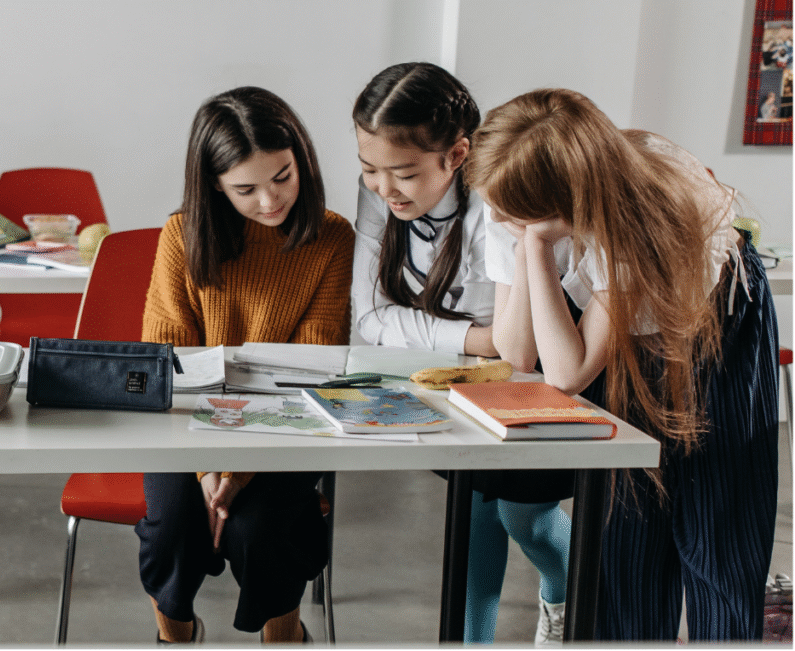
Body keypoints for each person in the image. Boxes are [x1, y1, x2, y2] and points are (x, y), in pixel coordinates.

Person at [466, 88, 778, 642]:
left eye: (512, 214)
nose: (496, 217)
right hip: (619, 335)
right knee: (626, 533)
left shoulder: (637, 217)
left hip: (716, 330)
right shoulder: (512, 195)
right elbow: (518, 355)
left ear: (566, 204)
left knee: (715, 534)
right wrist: (528, 242)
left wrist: (535, 246)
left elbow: (568, 373)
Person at [351, 62, 572, 645]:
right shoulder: (382, 194)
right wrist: (477, 338)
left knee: (526, 519)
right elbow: (371, 319)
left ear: (457, 155)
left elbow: (519, 345)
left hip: (543, 371)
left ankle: (566, 595)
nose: (382, 188)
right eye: (369, 169)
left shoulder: (500, 201)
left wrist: (472, 337)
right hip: (460, 380)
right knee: (474, 518)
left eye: (402, 173)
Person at [137, 86, 355, 644]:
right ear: (213, 184)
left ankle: (283, 631)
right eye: (245, 188)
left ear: (300, 158)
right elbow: (170, 366)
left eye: (283, 176)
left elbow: (311, 366)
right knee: (174, 533)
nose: (269, 200)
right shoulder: (180, 239)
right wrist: (210, 469)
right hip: (184, 428)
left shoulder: (331, 239)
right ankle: (174, 629)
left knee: (261, 531)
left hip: (288, 425)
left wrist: (239, 472)